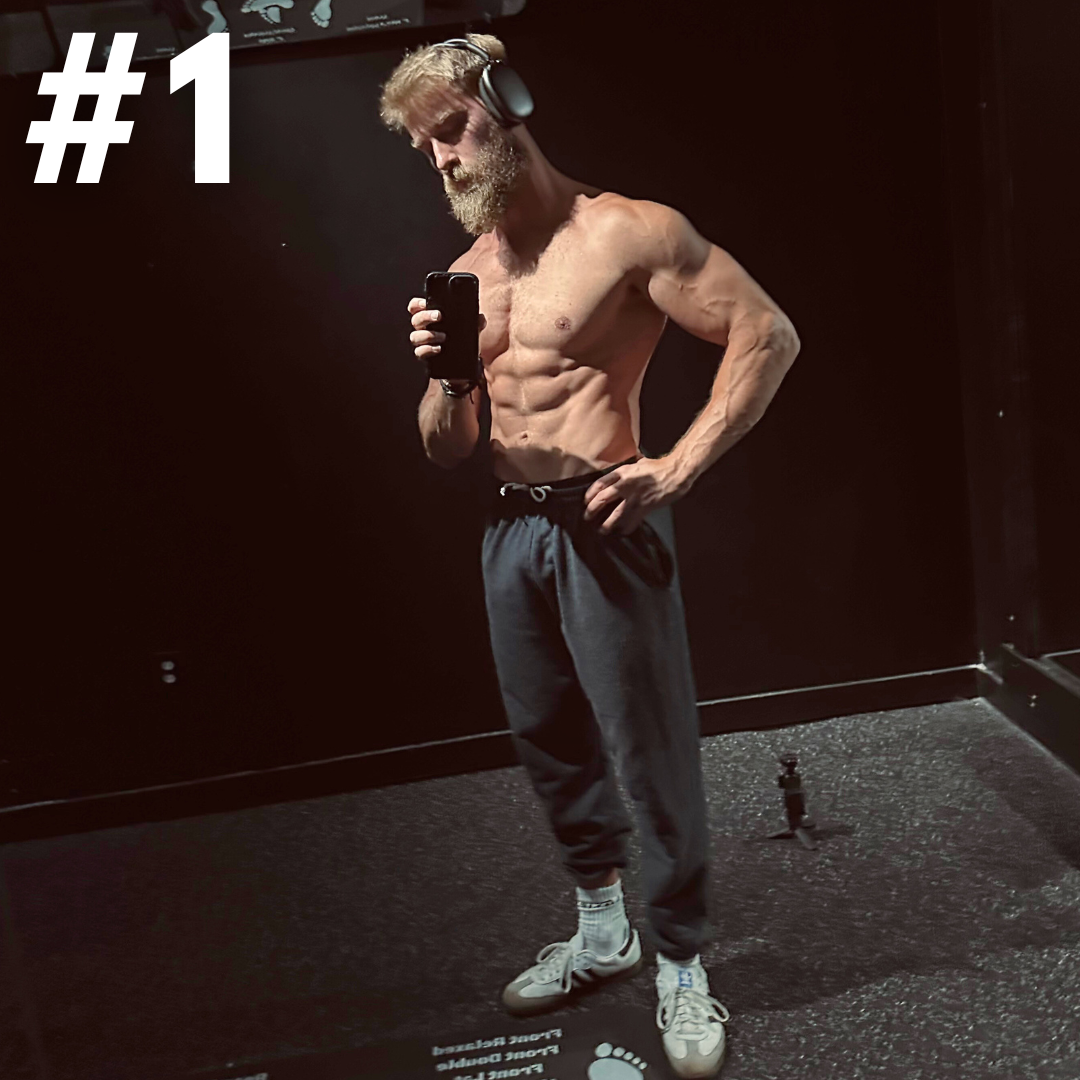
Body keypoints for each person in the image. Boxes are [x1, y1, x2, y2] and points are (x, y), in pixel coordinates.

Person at [379, 33, 799, 1079]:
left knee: (648, 751)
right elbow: (445, 449)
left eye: (451, 130)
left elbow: (766, 334)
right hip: (510, 529)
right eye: (423, 148)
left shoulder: (626, 232)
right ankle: (604, 931)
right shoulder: (469, 275)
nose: (443, 159)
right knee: (549, 741)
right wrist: (450, 380)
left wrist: (678, 465)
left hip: (606, 518)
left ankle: (682, 962)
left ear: (507, 102)